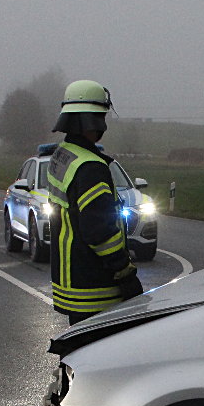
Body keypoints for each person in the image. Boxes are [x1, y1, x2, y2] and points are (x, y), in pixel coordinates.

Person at [46, 80, 143, 324]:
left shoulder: (63, 154)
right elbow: (99, 231)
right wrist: (125, 272)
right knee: (102, 348)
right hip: (94, 286)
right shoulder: (91, 168)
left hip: (70, 279)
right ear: (94, 121)